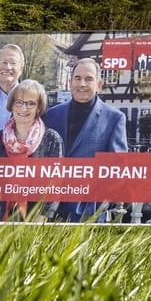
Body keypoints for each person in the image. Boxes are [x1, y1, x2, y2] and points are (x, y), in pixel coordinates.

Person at [44, 58, 128, 222]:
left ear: (99, 84)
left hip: (88, 217)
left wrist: (96, 207)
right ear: (70, 82)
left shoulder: (114, 118)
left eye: (88, 79)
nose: (82, 84)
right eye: (77, 78)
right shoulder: (52, 115)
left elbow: (118, 169)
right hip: (47, 213)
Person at [0, 79, 63, 221]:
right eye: (19, 102)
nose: (24, 108)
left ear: (39, 108)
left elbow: (54, 185)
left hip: (36, 220)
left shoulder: (51, 139)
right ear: (12, 105)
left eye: (31, 103)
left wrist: (41, 218)